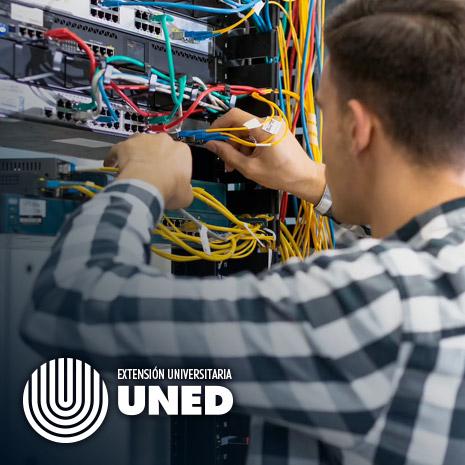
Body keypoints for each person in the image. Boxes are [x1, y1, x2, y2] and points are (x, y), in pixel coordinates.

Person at [21, 0, 465, 463]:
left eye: (325, 113)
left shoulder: (376, 304)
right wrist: (309, 179)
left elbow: (67, 305)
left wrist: (143, 182)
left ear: (357, 129)